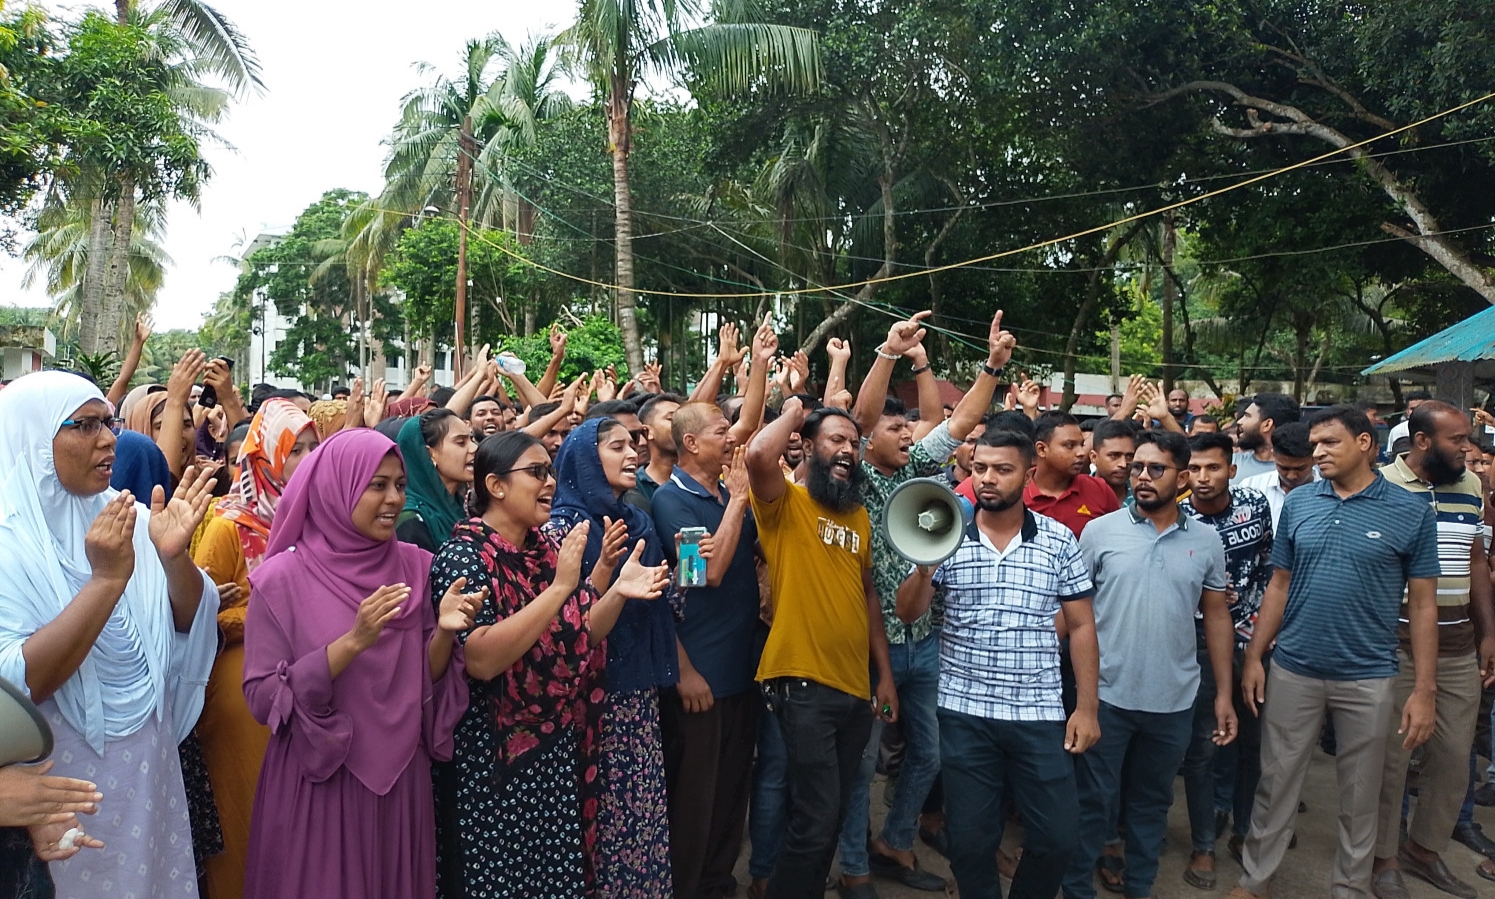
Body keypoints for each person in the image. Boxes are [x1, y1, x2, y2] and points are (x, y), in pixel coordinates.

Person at [0, 371, 221, 898]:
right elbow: (19, 685)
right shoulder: (8, 547)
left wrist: (173, 562)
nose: (108, 439)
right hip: (53, 784)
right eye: (85, 425)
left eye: (109, 422)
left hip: (147, 772)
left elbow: (190, 621)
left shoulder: (130, 516)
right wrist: (105, 582)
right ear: (33, 439)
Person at [241, 428, 482, 899]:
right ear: (338, 487)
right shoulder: (282, 579)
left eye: (399, 484)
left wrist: (446, 633)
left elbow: (424, 682)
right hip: (322, 783)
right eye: (377, 485)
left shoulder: (417, 566)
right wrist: (352, 642)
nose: (394, 498)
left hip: (400, 784)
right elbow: (262, 696)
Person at [430, 431, 669, 899]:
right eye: (536, 473)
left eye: (551, 472)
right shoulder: (464, 553)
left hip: (553, 751)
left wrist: (617, 590)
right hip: (493, 761)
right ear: (496, 486)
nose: (550, 483)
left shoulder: (543, 549)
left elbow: (578, 634)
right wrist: (560, 589)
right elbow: (479, 659)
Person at [1228, 406, 1440, 899]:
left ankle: (1350, 887)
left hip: (1369, 674)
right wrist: (1257, 657)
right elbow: (1278, 584)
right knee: (1276, 781)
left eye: (1329, 443)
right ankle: (1255, 881)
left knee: (1362, 793)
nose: (1316, 452)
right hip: (1294, 668)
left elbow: (1424, 607)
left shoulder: (1410, 512)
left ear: (1365, 444)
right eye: (1314, 444)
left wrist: (1424, 689)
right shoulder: (1301, 504)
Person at [836, 309, 1012, 896]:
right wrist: (888, 354)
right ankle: (856, 867)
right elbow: (859, 418)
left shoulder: (918, 470)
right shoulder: (857, 476)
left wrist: (992, 366)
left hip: (923, 640)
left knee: (929, 755)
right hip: (869, 646)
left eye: (909, 431)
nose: (908, 436)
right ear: (869, 441)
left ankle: (896, 840)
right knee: (860, 765)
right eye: (896, 431)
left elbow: (961, 421)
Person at [896, 428, 1100, 899]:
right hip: (965, 711)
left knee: (1056, 838)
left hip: (1039, 712)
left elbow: (1083, 626)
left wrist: (1086, 707)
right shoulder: (943, 532)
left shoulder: (1059, 540)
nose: (987, 478)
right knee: (969, 842)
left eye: (1002, 470)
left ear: (1028, 475)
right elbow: (908, 612)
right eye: (981, 467)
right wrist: (925, 563)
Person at [1063, 430, 1237, 899]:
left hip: (1173, 701)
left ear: (1181, 478)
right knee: (1094, 803)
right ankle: (1077, 889)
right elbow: (1073, 613)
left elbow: (1217, 615)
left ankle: (1140, 887)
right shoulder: (1100, 532)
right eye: (1136, 467)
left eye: (1154, 469)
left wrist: (1223, 693)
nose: (1141, 476)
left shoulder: (1205, 541)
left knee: (1151, 805)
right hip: (1105, 697)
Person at [746, 398, 897, 899]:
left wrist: (885, 677)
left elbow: (868, 596)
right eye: (836, 439)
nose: (848, 449)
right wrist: (793, 409)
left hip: (855, 689)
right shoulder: (784, 503)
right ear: (807, 446)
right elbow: (757, 457)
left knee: (829, 817)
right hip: (802, 681)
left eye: (854, 442)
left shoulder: (857, 518)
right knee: (814, 819)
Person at [546, 416, 684, 899]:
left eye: (635, 445)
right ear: (586, 458)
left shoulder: (637, 519)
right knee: (602, 822)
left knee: (638, 816)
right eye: (617, 446)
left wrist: (682, 573)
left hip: (637, 692)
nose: (633, 454)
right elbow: (560, 623)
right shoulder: (563, 527)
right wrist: (607, 573)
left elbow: (666, 597)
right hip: (590, 701)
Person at [192, 398, 318, 899]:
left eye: (314, 446)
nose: (309, 458)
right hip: (242, 697)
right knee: (244, 811)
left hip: (309, 685)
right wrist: (267, 614)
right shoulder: (229, 526)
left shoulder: (320, 520)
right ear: (265, 458)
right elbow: (192, 612)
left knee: (301, 824)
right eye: (295, 450)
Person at [1371, 402, 1495, 899]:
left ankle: (1422, 849)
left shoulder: (1469, 486)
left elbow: (1476, 561)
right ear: (1423, 442)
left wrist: (1489, 633)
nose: (1469, 449)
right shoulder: (1381, 486)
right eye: (1458, 440)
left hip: (1459, 645)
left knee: (1452, 758)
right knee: (1391, 759)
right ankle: (1382, 857)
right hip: (1395, 645)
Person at [652, 404, 762, 899]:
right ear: (692, 443)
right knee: (695, 798)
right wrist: (740, 500)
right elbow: (703, 574)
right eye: (723, 431)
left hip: (742, 669)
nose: (733, 439)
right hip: (701, 675)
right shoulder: (670, 500)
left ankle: (718, 883)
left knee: (732, 793)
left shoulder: (723, 493)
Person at [1177, 432, 1275, 889]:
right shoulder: (1176, 516)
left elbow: (1270, 569)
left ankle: (1245, 828)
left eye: (1212, 468)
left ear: (1231, 470)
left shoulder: (1254, 508)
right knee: (1209, 738)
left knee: (1253, 739)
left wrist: (1260, 633)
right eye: (1194, 469)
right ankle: (1208, 828)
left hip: (1255, 641)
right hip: (1197, 642)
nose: (1202, 478)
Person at [1026, 411, 1121, 539]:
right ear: (1042, 449)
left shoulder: (1100, 490)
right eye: (1069, 446)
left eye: (1082, 445)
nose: (1081, 452)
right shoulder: (1016, 492)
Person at [396, 408, 478, 552]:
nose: (474, 448)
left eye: (472, 439)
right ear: (429, 454)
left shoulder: (465, 509)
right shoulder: (410, 520)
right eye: (461, 442)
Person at [1237, 422, 1318, 530]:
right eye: (1284, 468)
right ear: (1273, 454)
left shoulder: (1331, 491)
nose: (1291, 476)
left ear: (1315, 459)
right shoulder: (1250, 488)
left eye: (1300, 468)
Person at [1232, 393, 1301, 485]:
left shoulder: (1304, 472)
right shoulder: (1231, 462)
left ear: (1267, 425)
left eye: (1247, 416)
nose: (1240, 421)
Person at [637, 393, 686, 502]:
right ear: (647, 431)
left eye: (684, 420)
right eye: (671, 419)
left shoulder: (702, 483)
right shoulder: (635, 486)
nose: (682, 425)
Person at [1089, 419, 1137, 507]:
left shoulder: (1142, 496)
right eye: (1114, 455)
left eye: (1129, 456)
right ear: (1094, 457)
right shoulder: (1076, 495)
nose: (1123, 464)